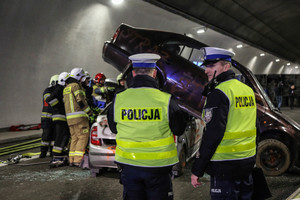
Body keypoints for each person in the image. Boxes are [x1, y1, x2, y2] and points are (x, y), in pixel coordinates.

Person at [107, 53, 188, 200]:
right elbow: (179, 129)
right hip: (159, 166)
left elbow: (113, 128)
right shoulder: (166, 99)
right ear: (154, 73)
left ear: (133, 73)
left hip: (128, 164)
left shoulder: (119, 98)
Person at [191, 47, 257, 200]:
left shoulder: (219, 93)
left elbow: (213, 134)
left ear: (226, 66)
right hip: (246, 163)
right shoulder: (247, 91)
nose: (207, 70)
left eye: (212, 66)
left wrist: (197, 169)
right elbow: (255, 127)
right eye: (206, 66)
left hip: (224, 166)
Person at [63, 68, 94, 167]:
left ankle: (72, 160)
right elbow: (80, 101)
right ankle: (78, 160)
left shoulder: (66, 88)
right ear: (79, 77)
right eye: (82, 78)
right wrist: (90, 113)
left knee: (74, 138)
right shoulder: (76, 86)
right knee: (82, 138)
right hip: (80, 118)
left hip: (70, 119)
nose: (83, 80)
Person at [46, 72, 70, 167]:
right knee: (60, 136)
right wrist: (59, 106)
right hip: (60, 116)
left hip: (60, 116)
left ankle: (59, 154)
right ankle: (56, 155)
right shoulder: (59, 89)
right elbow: (49, 100)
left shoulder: (60, 88)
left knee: (63, 135)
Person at [40, 74, 59, 158]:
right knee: (46, 136)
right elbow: (51, 101)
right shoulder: (47, 91)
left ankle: (52, 151)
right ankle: (43, 152)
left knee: (54, 136)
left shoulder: (57, 91)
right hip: (47, 118)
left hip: (54, 117)